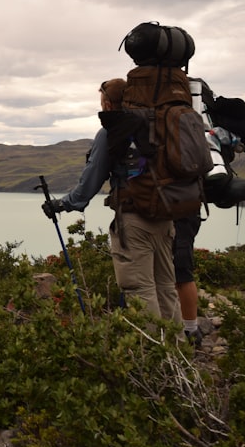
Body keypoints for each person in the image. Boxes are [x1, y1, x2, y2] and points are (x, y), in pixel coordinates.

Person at [41, 78, 181, 324]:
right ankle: (177, 349)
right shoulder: (159, 125)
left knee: (140, 289)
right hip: (166, 214)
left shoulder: (113, 131)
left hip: (134, 220)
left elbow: (91, 179)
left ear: (107, 104)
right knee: (166, 286)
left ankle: (152, 355)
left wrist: (63, 204)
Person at [173, 214, 203, 346]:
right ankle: (189, 328)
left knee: (181, 275)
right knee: (179, 274)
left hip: (180, 216)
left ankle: (190, 331)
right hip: (184, 214)